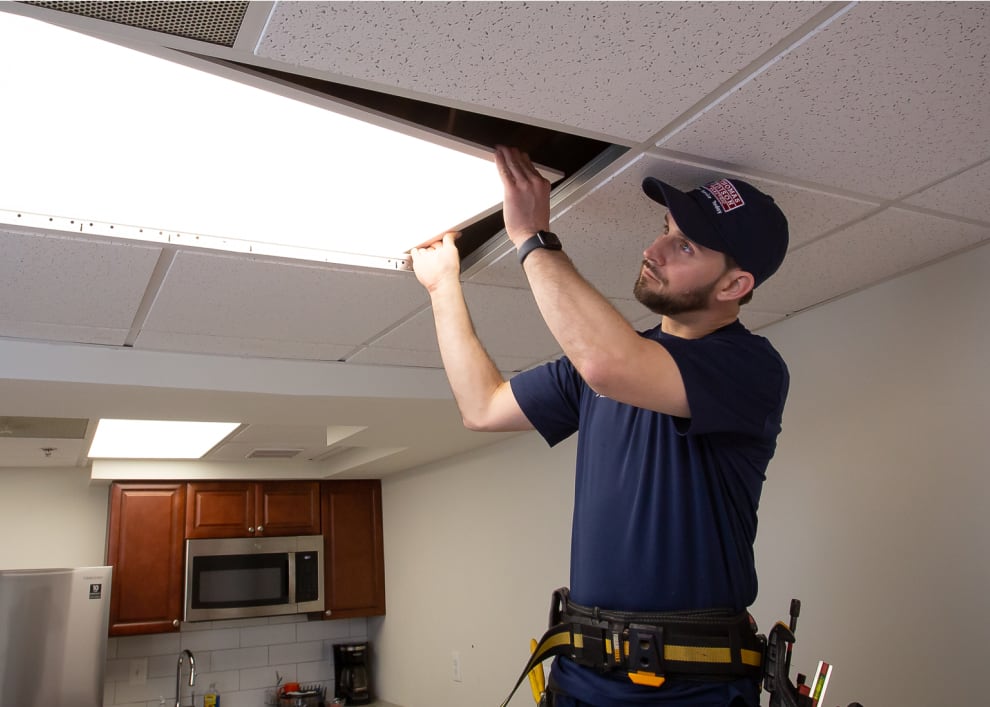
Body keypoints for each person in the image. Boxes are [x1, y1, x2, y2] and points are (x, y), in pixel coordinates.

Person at [410, 145, 790, 707]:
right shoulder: (602, 370)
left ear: (734, 286)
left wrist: (533, 239)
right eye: (664, 228)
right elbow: (483, 407)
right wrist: (444, 288)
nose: (653, 248)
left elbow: (609, 365)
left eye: (684, 245)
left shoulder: (750, 369)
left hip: (693, 691)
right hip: (580, 679)